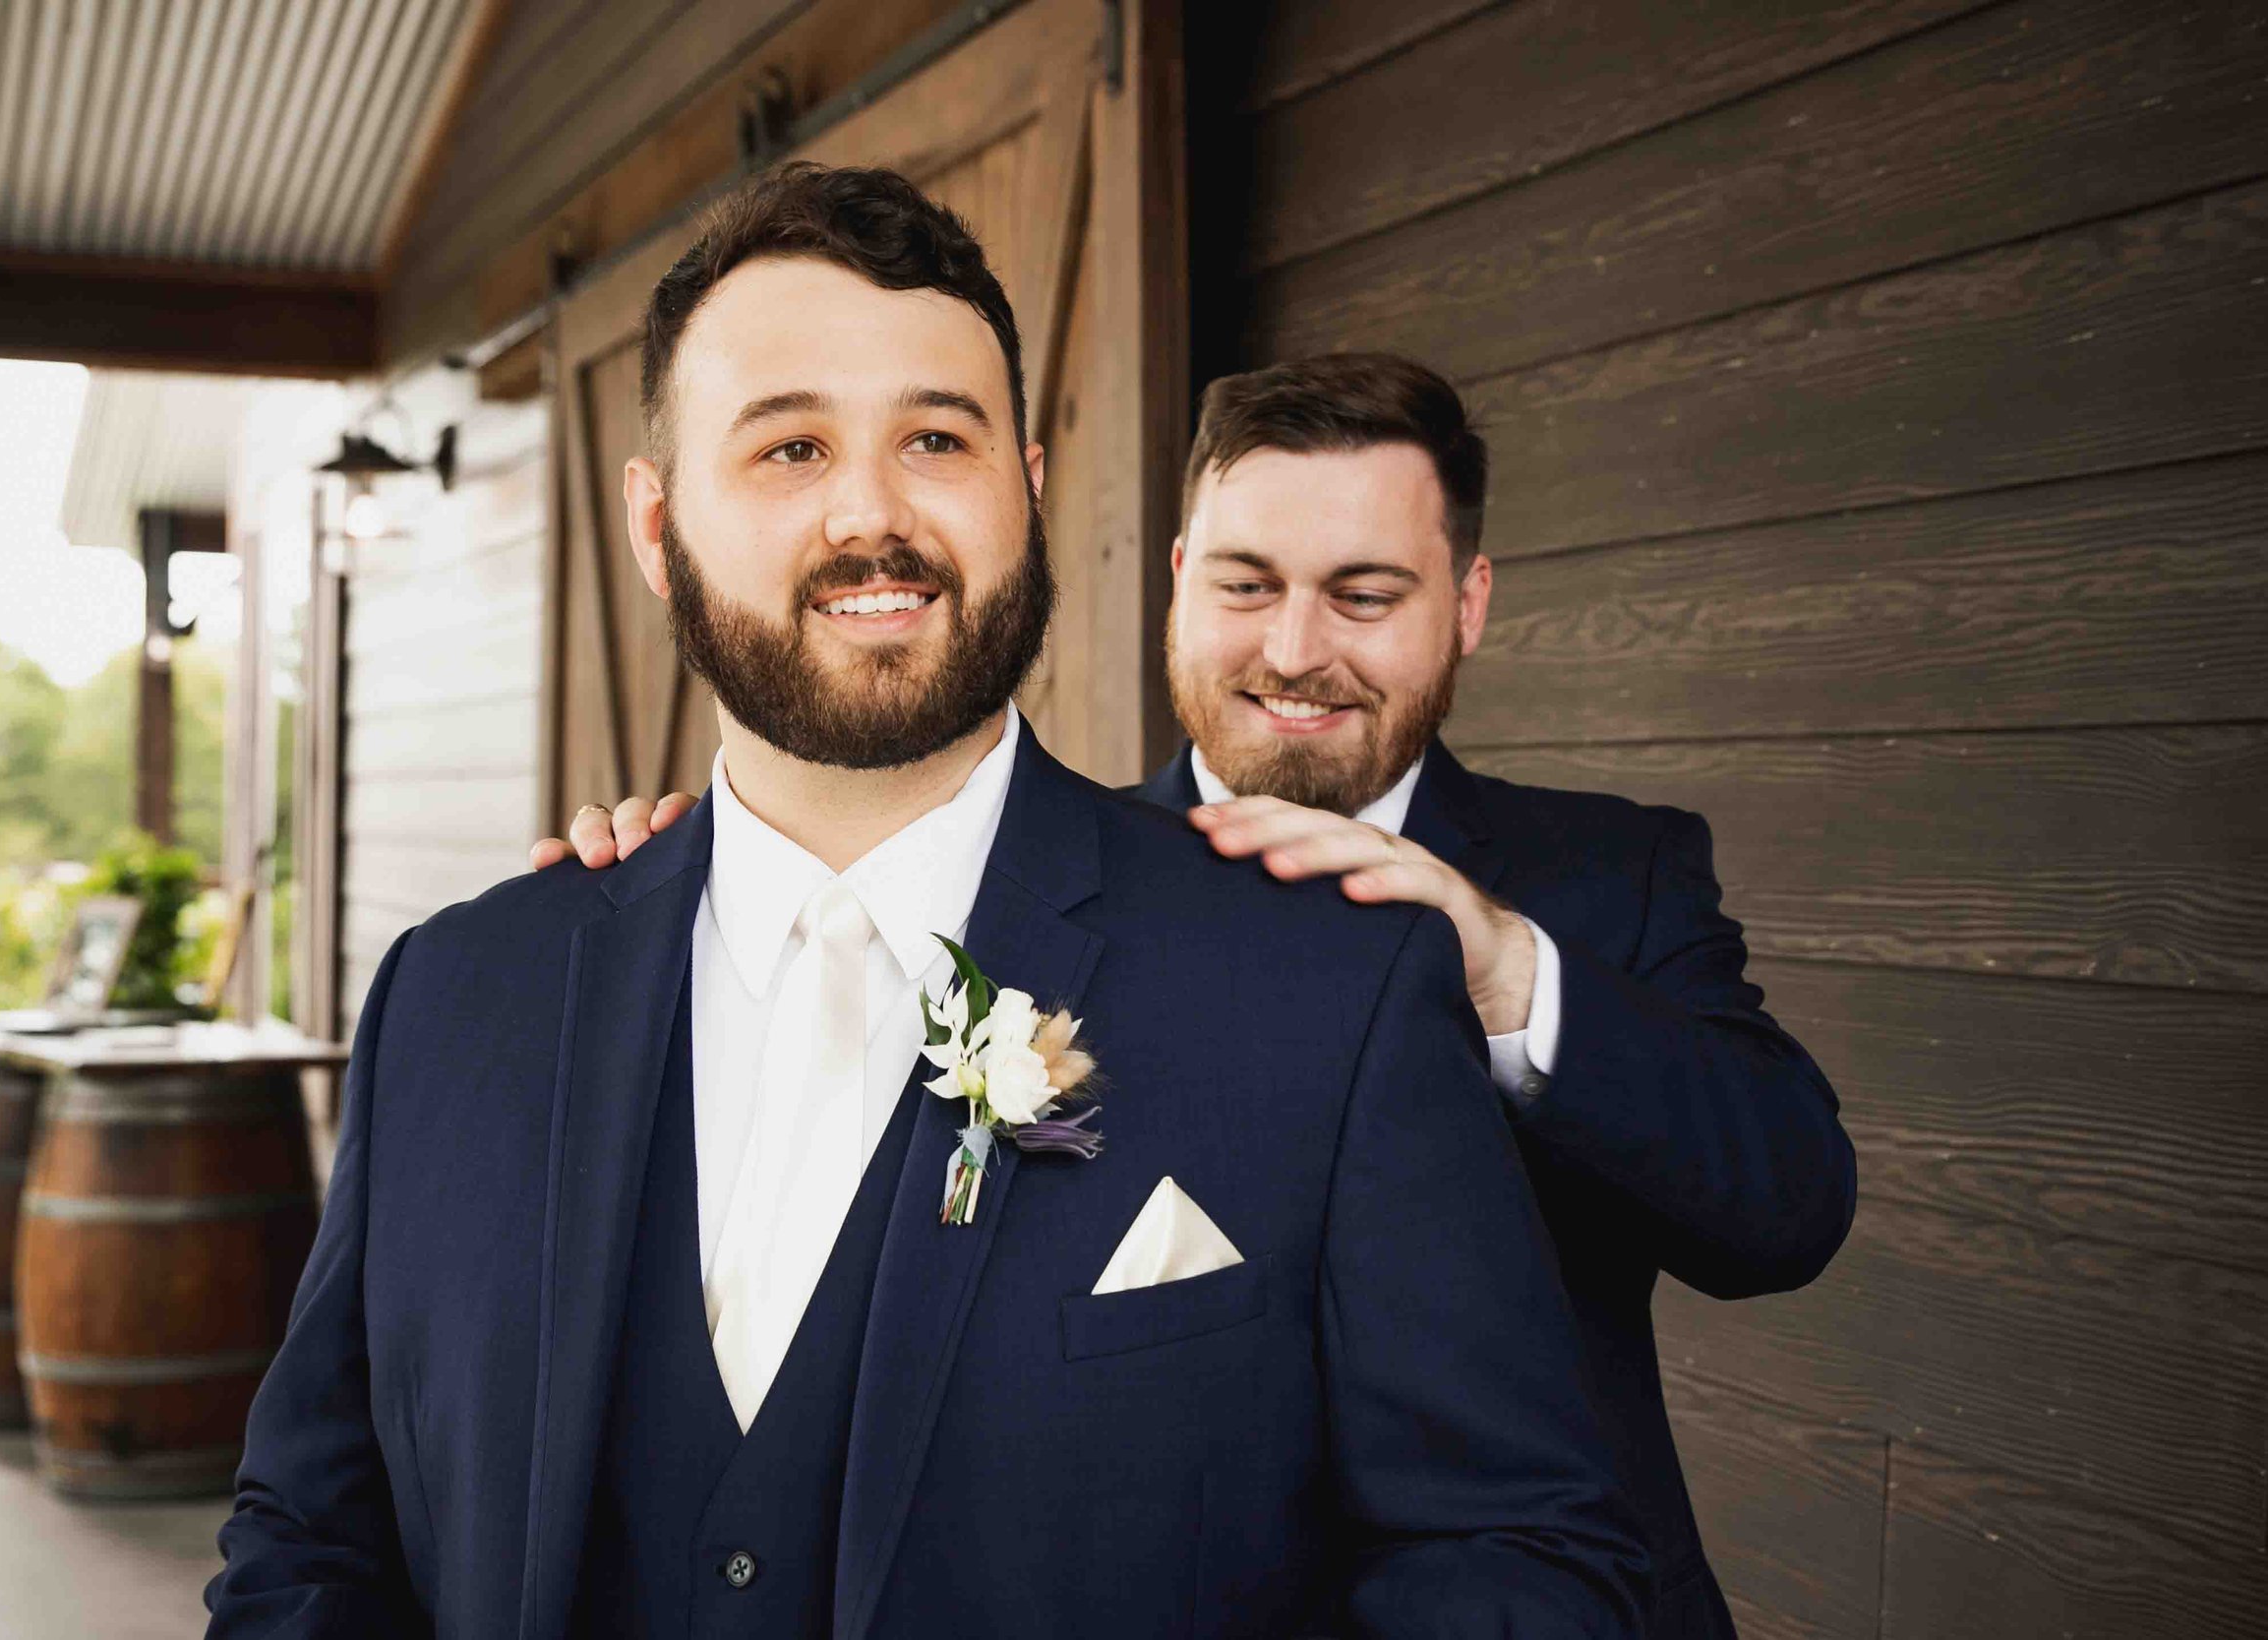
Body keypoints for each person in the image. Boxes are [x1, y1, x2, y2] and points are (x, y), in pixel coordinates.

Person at [209, 165, 1649, 1638]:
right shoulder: (456, 999)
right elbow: (312, 1538)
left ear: (1027, 484)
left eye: (936, 440)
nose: (871, 514)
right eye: (788, 448)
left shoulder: (1327, 988)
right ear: (656, 529)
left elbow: (1516, 1559)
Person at [544, 351, 1858, 1638]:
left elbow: (1786, 1210)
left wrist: (1505, 965)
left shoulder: (1612, 875)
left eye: (1365, 593)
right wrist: (715, 903)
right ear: (1179, 580)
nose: (1294, 650)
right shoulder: (1002, 885)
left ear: (1465, 604)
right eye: (1247, 583)